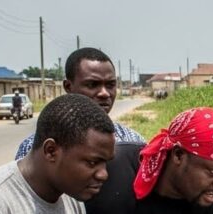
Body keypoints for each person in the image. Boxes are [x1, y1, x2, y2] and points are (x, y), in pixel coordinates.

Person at [16, 47, 144, 160]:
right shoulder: (34, 148)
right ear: (68, 87)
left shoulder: (133, 142)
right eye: (92, 84)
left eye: (110, 85)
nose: (104, 93)